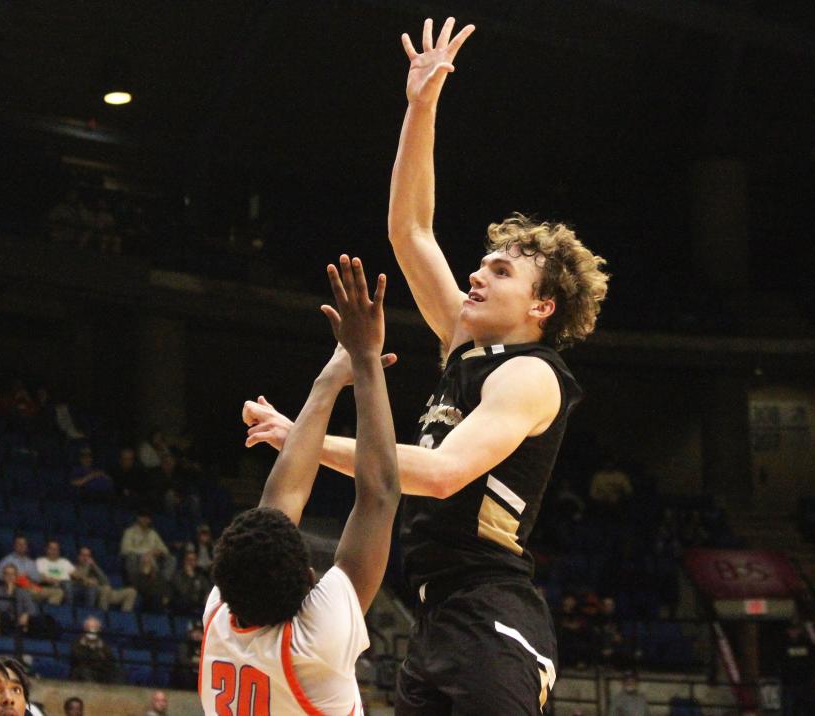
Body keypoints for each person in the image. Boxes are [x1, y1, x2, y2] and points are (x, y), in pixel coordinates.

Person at [242, 18, 609, 714]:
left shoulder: (530, 375)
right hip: (438, 617)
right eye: (480, 263)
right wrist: (421, 104)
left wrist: (306, 440)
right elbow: (409, 229)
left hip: (493, 617)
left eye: (499, 271)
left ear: (541, 307)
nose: (475, 274)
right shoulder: (467, 345)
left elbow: (441, 476)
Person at [203, 257, 399, 715]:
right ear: (308, 579)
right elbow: (380, 493)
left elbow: (285, 500)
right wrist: (366, 360)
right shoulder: (314, 641)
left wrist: (336, 374)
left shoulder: (221, 619)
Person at [0, 535, 63, 606]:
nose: (22, 546)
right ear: (14, 546)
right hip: (15, 588)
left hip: (32, 587)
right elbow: (0, 576)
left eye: (24, 544)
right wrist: (17, 578)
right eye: (19, 544)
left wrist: (50, 580)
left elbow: (37, 578)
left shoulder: (31, 562)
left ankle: (49, 613)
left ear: (26, 547)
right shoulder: (6, 560)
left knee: (58, 592)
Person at [72, 546, 137, 612]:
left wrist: (94, 566)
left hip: (106, 592)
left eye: (88, 556)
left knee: (131, 591)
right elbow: (80, 579)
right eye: (83, 555)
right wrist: (87, 566)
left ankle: (125, 617)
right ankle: (103, 614)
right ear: (78, 556)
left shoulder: (93, 567)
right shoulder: (74, 567)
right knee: (106, 589)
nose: (86, 558)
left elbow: (106, 581)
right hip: (91, 592)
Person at [120, 512, 176, 584]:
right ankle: (135, 583)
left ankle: (162, 583)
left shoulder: (153, 533)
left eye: (148, 518)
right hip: (138, 561)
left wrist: (157, 552)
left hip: (153, 561)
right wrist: (146, 553)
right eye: (143, 517)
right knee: (131, 557)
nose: (146, 520)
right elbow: (124, 549)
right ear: (138, 518)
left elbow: (165, 550)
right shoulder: (129, 532)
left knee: (171, 558)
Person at [36, 539, 88, 607]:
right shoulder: (40, 561)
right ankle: (69, 610)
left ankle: (90, 612)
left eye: (56, 549)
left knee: (90, 588)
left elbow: (76, 574)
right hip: (50, 585)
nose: (54, 551)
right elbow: (40, 576)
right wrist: (51, 580)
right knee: (67, 584)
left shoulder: (64, 562)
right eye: (51, 549)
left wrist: (87, 580)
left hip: (69, 585)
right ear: (46, 549)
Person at [70, 615, 118, 683]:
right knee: (84, 671)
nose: (92, 630)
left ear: (99, 629)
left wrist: (100, 649)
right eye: (90, 627)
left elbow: (110, 660)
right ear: (85, 628)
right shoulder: (78, 642)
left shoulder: (103, 644)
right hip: (83, 669)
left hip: (100, 670)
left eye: (95, 627)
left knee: (117, 671)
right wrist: (90, 649)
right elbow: (78, 658)